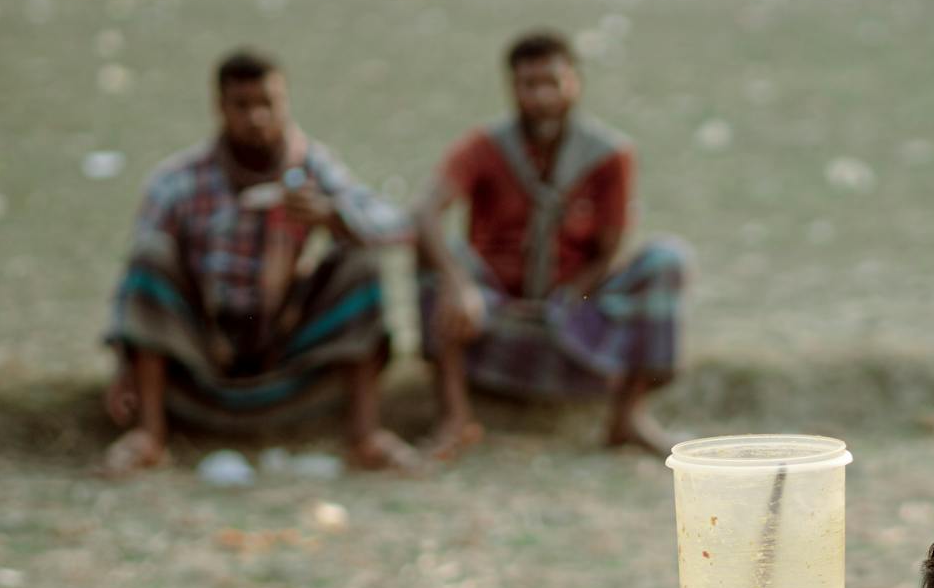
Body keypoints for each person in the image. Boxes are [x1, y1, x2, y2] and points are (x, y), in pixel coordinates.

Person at [101, 49, 417, 476]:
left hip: (285, 335)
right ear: (220, 107)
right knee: (151, 255)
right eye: (242, 106)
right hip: (203, 338)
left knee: (359, 260)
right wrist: (123, 363)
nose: (257, 118)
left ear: (284, 102)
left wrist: (331, 216)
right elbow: (135, 284)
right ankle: (149, 435)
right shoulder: (179, 180)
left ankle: (365, 435)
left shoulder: (311, 167)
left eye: (267, 103)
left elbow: (396, 227)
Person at [414, 30, 690, 459]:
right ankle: (455, 418)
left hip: (576, 299)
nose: (542, 97)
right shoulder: (486, 147)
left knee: (667, 259)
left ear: (574, 84)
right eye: (529, 85)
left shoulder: (609, 154)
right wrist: (459, 283)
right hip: (495, 300)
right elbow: (426, 210)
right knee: (434, 258)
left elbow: (611, 248)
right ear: (512, 88)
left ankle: (628, 417)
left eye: (553, 83)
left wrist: (573, 296)